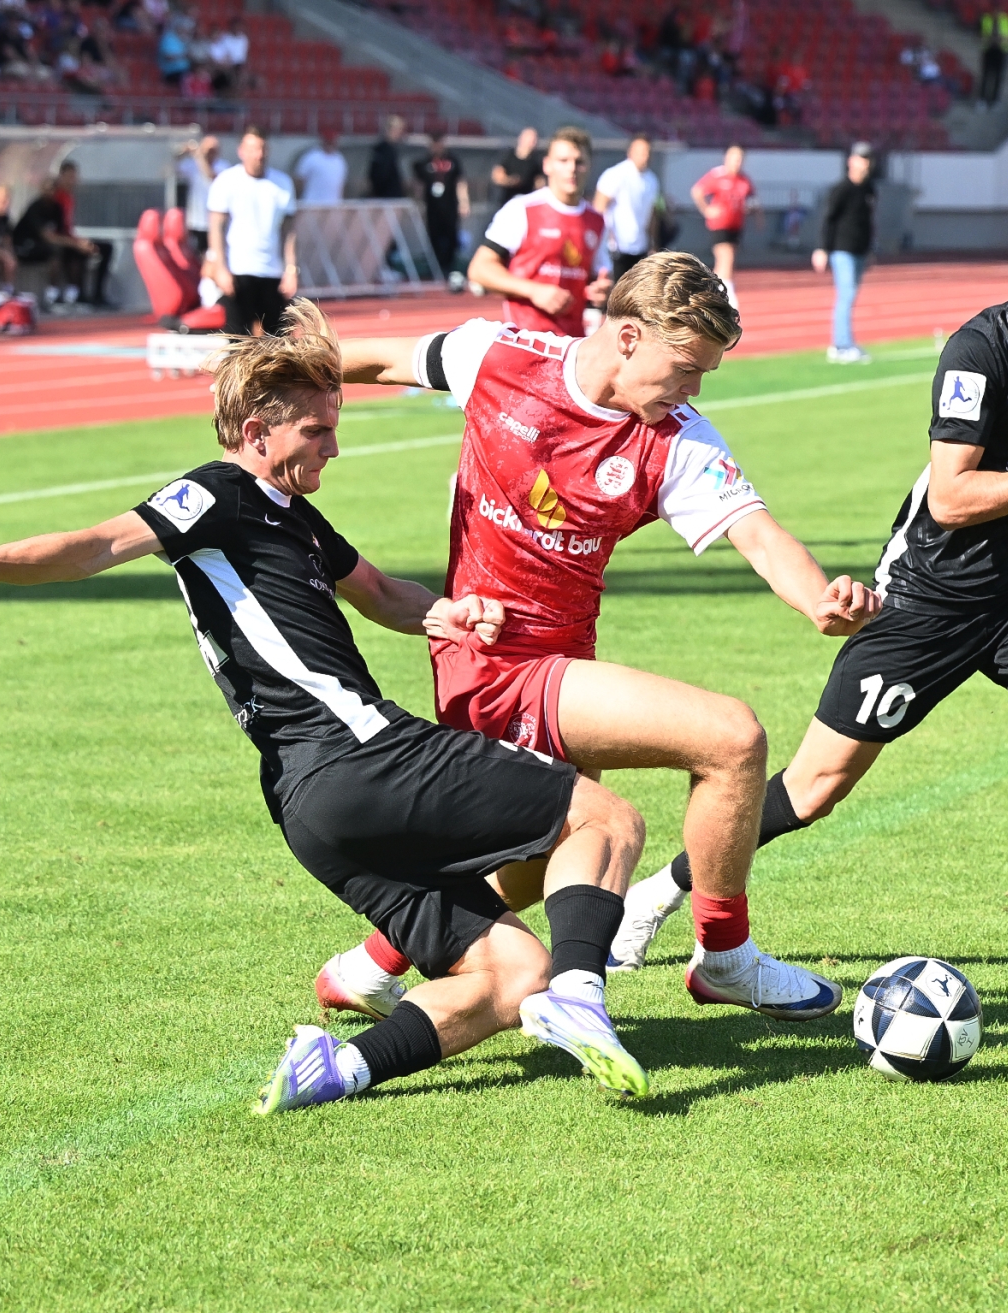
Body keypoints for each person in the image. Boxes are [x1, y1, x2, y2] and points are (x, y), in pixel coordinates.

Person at [0, 300, 653, 1110]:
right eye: (316, 430)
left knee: (512, 972)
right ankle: (582, 993)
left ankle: (332, 1069)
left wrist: (445, 612)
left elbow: (377, 592)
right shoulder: (219, 493)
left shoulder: (296, 518)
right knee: (605, 818)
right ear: (258, 431)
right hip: (362, 752)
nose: (334, 447)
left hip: (312, 807)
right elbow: (96, 546)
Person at [612, 183, 1008, 973]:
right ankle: (654, 895)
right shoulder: (980, 352)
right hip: (925, 597)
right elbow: (952, 498)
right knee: (813, 789)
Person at [309, 252, 877, 1024]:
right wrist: (269, 374)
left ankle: (370, 965)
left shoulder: (675, 439)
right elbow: (374, 361)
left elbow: (760, 536)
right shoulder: (500, 356)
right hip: (487, 657)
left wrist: (819, 601)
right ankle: (725, 956)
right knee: (732, 739)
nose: (693, 388)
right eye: (686, 367)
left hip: (563, 661)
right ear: (630, 337)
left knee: (539, 858)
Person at [468, 124, 611, 338]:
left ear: (590, 166)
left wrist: (602, 291)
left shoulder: (597, 221)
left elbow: (597, 279)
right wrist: (534, 290)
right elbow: (479, 269)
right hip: (525, 340)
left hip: (573, 342)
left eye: (579, 162)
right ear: (547, 165)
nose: (572, 168)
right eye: (563, 160)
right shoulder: (521, 210)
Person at [207, 123, 297, 337]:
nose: (258, 155)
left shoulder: (282, 183)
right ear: (241, 151)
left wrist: (291, 270)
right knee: (240, 342)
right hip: (239, 271)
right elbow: (216, 228)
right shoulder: (226, 181)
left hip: (272, 272)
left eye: (262, 149)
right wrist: (220, 268)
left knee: (280, 342)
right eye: (253, 149)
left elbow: (289, 232)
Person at [813, 142, 876, 364]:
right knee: (846, 295)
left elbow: (868, 222)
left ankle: (846, 342)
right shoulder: (841, 189)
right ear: (851, 161)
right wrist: (822, 248)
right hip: (842, 250)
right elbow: (828, 219)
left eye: (867, 159)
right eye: (861, 158)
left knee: (850, 296)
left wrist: (869, 250)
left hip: (859, 251)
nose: (864, 164)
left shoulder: (869, 190)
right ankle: (841, 345)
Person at [12, 168, 108, 306]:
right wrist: (76, 244)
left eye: (53, 189)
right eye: (47, 189)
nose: (50, 192)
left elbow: (62, 233)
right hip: (27, 245)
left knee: (75, 253)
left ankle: (74, 293)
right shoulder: (35, 208)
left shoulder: (57, 208)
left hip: (50, 244)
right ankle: (53, 293)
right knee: (55, 250)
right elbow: (49, 237)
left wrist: (80, 244)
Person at [689, 143, 754, 309]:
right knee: (726, 256)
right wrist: (707, 210)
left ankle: (713, 293)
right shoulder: (717, 175)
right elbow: (697, 191)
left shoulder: (744, 179)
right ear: (727, 158)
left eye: (740, 158)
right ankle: (728, 295)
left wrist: (752, 211)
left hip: (736, 225)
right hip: (720, 224)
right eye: (734, 158)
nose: (737, 162)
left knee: (724, 262)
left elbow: (751, 198)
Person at [594, 134, 659, 285]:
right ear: (630, 152)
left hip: (640, 247)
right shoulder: (616, 174)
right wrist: (605, 238)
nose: (645, 156)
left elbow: (651, 215)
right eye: (641, 152)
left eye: (648, 152)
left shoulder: (652, 180)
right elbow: (599, 207)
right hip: (617, 247)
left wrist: (653, 244)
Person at [411, 129, 469, 281]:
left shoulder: (453, 161)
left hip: (450, 206)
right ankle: (435, 267)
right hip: (432, 207)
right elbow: (418, 185)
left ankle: (449, 267)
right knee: (434, 236)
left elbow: (460, 182)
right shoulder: (423, 163)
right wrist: (418, 203)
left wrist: (464, 202)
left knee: (451, 236)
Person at [176, 134, 224, 255]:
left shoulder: (223, 166)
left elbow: (210, 176)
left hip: (213, 222)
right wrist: (181, 153)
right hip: (196, 221)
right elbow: (169, 170)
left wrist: (199, 156)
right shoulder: (193, 165)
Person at [490, 125, 544, 206]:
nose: (532, 142)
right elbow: (497, 177)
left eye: (534, 140)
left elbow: (539, 182)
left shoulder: (536, 161)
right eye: (530, 139)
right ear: (521, 139)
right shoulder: (508, 156)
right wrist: (511, 181)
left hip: (526, 202)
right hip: (506, 200)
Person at [292, 130, 346, 206]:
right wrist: (297, 200)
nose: (330, 144)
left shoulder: (339, 160)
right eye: (328, 142)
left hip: (332, 205)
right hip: (311, 204)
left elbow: (341, 185)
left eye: (332, 142)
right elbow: (299, 180)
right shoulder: (311, 157)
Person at [367, 114, 407, 200]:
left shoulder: (392, 149)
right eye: (399, 130)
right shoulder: (383, 150)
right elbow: (380, 176)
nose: (400, 133)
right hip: (386, 198)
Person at [978, 7, 1008, 108]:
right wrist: (989, 39)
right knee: (986, 76)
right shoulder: (986, 19)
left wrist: (1002, 39)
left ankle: (995, 100)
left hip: (1001, 51)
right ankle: (982, 99)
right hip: (988, 50)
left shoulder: (1006, 20)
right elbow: (980, 34)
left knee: (998, 77)